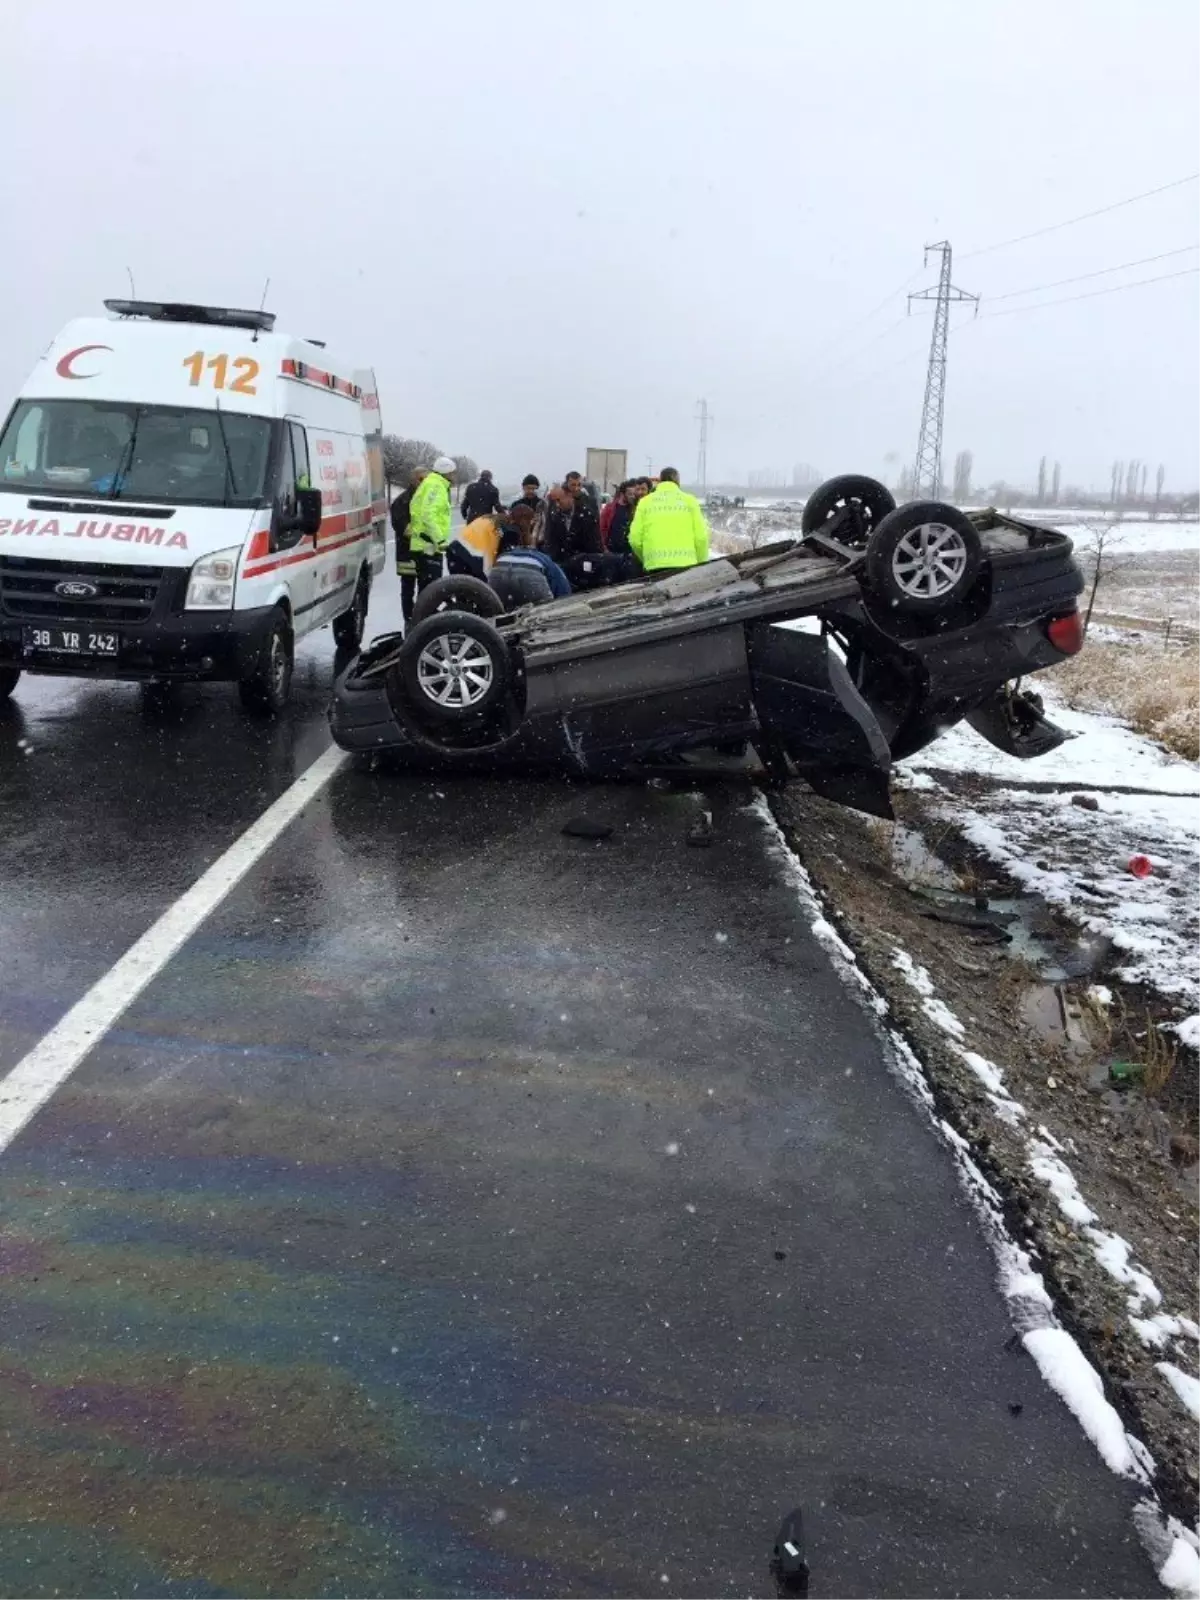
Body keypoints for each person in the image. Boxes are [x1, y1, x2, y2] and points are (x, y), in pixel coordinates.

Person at [628, 467, 710, 577]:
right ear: (678, 482)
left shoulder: (644, 502)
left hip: (655, 566)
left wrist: (646, 559)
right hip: (686, 566)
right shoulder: (690, 501)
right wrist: (700, 563)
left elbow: (634, 540)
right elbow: (701, 538)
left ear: (660, 481)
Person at [489, 506, 571, 609]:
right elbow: (563, 590)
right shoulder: (542, 558)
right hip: (530, 573)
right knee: (546, 612)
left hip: (499, 567)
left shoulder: (504, 543)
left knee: (503, 610)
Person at [407, 455, 457, 591]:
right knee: (431, 592)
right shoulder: (436, 486)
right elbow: (427, 514)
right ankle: (427, 613)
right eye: (453, 472)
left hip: (425, 545)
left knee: (426, 591)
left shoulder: (431, 483)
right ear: (446, 472)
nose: (455, 476)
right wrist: (439, 540)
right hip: (428, 546)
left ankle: (424, 612)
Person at [542, 472, 602, 583]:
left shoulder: (587, 509)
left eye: (579, 485)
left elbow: (594, 538)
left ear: (570, 498)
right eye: (573, 485)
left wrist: (593, 561)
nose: (576, 488)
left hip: (582, 561)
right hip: (562, 562)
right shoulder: (554, 510)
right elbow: (550, 536)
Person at [390, 467, 426, 625]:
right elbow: (401, 525)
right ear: (413, 480)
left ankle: (423, 617)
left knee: (425, 588)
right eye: (421, 479)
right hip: (407, 552)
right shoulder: (402, 501)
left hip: (425, 552)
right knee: (408, 588)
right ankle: (409, 619)